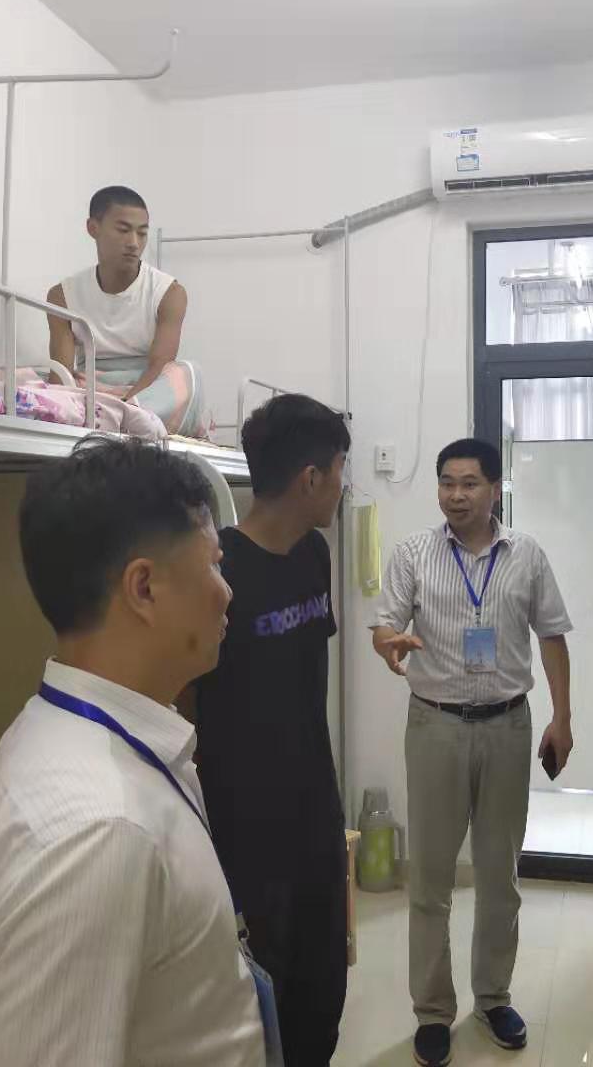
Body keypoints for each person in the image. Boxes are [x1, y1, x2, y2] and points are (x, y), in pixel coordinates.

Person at [0, 436, 267, 1067]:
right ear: (144, 588)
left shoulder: (80, 730)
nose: (227, 592)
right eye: (213, 565)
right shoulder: (97, 832)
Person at [371, 437, 574, 1067]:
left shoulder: (527, 554)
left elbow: (553, 637)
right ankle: (433, 1012)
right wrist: (389, 642)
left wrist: (563, 719)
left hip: (508, 726)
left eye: (469, 483)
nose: (456, 495)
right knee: (430, 879)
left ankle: (492, 999)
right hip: (435, 725)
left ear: (494, 488)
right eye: (447, 483)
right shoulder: (414, 553)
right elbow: (384, 622)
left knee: (499, 875)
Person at [192, 393, 352, 1066]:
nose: (343, 485)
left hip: (315, 808)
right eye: (339, 470)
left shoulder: (315, 553)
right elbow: (188, 703)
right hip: (247, 828)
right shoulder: (218, 572)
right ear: (311, 478)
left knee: (324, 987)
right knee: (264, 998)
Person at [47, 186, 204, 435]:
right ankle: (117, 418)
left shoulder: (169, 293)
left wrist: (126, 406)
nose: (134, 243)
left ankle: (123, 418)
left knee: (186, 373)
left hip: (146, 391)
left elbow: (159, 365)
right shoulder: (62, 295)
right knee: (22, 378)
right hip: (91, 388)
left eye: (142, 233)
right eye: (123, 230)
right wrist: (53, 404)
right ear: (93, 228)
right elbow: (61, 372)